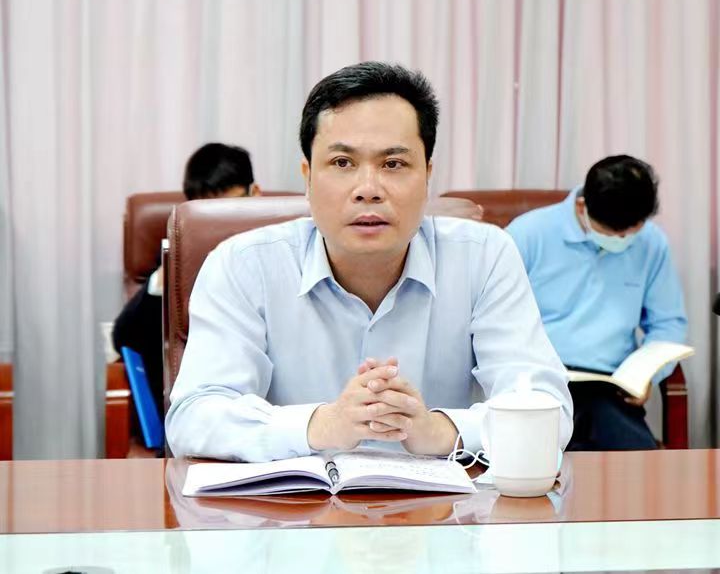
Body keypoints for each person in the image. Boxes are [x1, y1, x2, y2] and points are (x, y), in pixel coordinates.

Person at [166, 61, 572, 462]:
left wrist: (437, 430)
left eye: (393, 164)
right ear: (307, 177)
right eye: (342, 163)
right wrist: (321, 426)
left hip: (443, 503)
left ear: (427, 176)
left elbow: (548, 412)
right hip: (295, 504)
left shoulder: (484, 256)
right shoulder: (243, 265)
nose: (368, 189)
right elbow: (194, 417)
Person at [506, 155, 687, 450]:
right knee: (539, 457)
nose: (623, 239)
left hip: (610, 388)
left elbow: (668, 323)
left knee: (639, 464)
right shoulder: (527, 234)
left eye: (631, 231)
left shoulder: (651, 242)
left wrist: (648, 375)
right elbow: (494, 315)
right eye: (614, 233)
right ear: (582, 207)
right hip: (538, 383)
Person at [112, 142, 259, 413]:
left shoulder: (279, 250)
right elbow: (124, 338)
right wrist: (164, 278)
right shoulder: (179, 256)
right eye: (210, 213)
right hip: (198, 403)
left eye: (234, 207)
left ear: (256, 194)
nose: (225, 224)